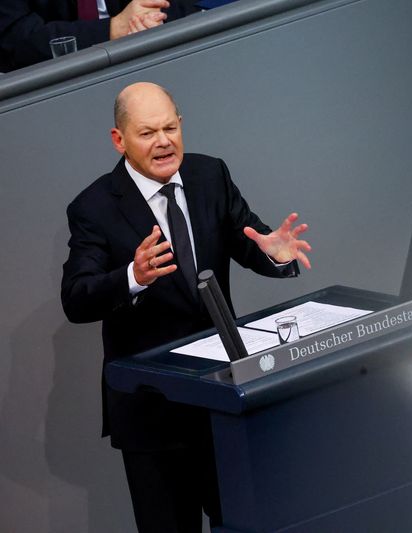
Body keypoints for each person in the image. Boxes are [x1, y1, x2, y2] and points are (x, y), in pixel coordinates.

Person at [61, 81, 312, 532]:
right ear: (119, 140)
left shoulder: (208, 175)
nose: (163, 142)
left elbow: (248, 239)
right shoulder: (94, 207)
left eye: (170, 128)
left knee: (246, 522)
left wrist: (275, 252)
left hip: (223, 400)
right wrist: (132, 276)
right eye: (147, 133)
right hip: (153, 414)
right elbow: (77, 298)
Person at [0, 0, 198, 72]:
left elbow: (181, 6)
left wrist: (150, 16)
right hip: (54, 88)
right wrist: (114, 28)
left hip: (149, 63)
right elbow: (19, 41)